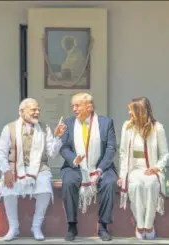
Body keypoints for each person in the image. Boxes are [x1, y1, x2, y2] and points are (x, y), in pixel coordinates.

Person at [0, 98, 66, 241]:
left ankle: (36, 225)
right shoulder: (9, 128)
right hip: (14, 167)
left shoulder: (44, 128)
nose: (37, 112)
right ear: (22, 111)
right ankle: (13, 227)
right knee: (7, 189)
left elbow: (52, 153)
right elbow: (0, 152)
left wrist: (58, 136)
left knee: (45, 188)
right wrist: (6, 171)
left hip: (40, 167)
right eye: (33, 110)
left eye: (38, 109)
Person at [59, 92, 117, 241]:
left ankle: (103, 225)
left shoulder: (106, 123)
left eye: (77, 105)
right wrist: (74, 159)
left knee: (110, 182)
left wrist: (100, 168)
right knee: (69, 182)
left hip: (101, 166)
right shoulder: (69, 122)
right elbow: (63, 147)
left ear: (89, 107)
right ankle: (72, 224)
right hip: (75, 166)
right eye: (73, 106)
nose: (74, 109)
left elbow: (111, 149)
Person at [117, 97, 169, 240]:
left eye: (131, 110)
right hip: (133, 169)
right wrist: (123, 175)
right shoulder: (127, 127)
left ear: (140, 111)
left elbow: (165, 154)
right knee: (135, 186)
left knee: (151, 184)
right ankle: (140, 225)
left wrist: (156, 168)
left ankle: (149, 225)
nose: (128, 113)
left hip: (151, 169)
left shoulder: (157, 128)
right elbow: (123, 153)